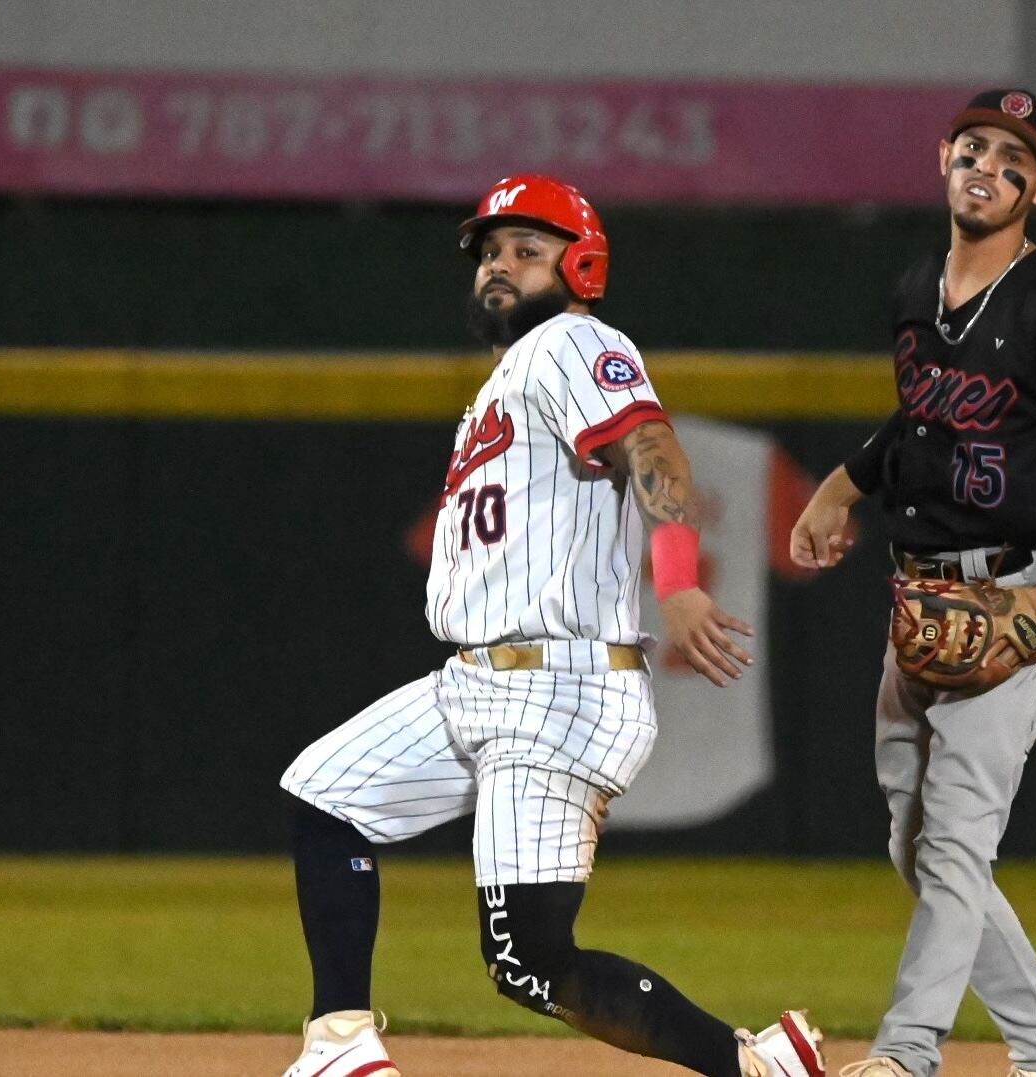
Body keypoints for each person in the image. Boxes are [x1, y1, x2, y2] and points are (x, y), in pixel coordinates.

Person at [277, 173, 826, 1077]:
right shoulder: (503, 383)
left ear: (580, 267)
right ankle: (341, 1043)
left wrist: (679, 585)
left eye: (526, 250)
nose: (498, 265)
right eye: (490, 251)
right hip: (475, 682)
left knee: (530, 960)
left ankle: (755, 1067)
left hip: (557, 686)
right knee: (326, 796)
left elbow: (653, 447)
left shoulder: (575, 341)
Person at [790, 89, 1036, 1077]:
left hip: (1011, 596)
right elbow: (917, 423)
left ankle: (906, 1055)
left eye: (1013, 158)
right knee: (912, 842)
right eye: (974, 147)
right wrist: (839, 488)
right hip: (917, 598)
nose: (988, 166)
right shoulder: (915, 289)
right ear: (943, 157)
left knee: (951, 843)